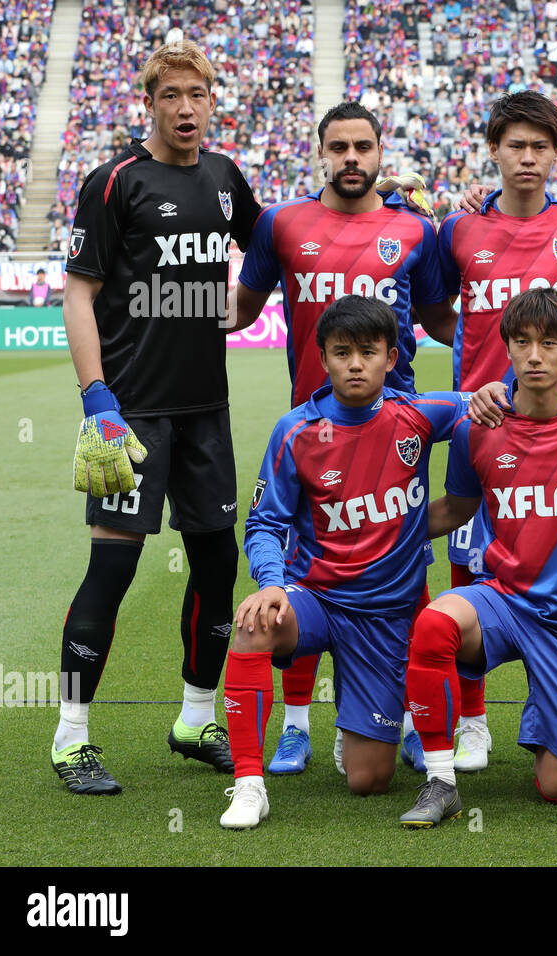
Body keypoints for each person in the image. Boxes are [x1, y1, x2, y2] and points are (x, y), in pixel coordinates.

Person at [54, 41, 260, 795]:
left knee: (215, 562)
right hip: (131, 412)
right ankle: (71, 736)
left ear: (212, 99)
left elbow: (269, 250)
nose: (184, 107)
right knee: (113, 566)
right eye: (170, 94)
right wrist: (96, 398)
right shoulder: (114, 182)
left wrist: (239, 308)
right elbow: (79, 292)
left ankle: (195, 717)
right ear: (149, 102)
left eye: (196, 93)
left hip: (208, 410)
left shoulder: (226, 178)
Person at [231, 100, 456, 778]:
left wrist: (523, 351)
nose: (351, 158)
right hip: (315, 422)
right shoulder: (282, 223)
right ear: (321, 152)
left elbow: (446, 320)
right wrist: (156, 311)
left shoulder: (413, 229)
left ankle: (411, 717)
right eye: (339, 147)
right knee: (305, 565)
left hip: (399, 422)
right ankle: (295, 727)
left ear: (380, 154)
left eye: (363, 147)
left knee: (400, 550)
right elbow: (240, 310)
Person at [398, 288, 557, 827]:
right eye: (523, 343)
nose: (535, 356)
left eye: (549, 343)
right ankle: (440, 779)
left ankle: (549, 705)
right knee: (435, 623)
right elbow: (456, 509)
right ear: (507, 348)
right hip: (506, 601)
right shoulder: (478, 427)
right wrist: (372, 534)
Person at [219, 295, 470, 828]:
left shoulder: (419, 416)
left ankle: (356, 725)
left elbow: (502, 401)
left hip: (382, 618)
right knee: (252, 626)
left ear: (391, 355)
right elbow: (264, 524)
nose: (355, 364)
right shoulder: (296, 431)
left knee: (369, 781)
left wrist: (550, 388)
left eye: (368, 352)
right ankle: (247, 785)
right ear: (323, 358)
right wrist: (271, 584)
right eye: (342, 353)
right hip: (316, 597)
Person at [434, 91, 557, 772]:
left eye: (540, 147)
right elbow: (433, 306)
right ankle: (471, 722)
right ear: (495, 150)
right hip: (483, 424)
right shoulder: (458, 230)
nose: (527, 158)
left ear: (556, 153)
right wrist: (475, 374)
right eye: (515, 146)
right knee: (466, 550)